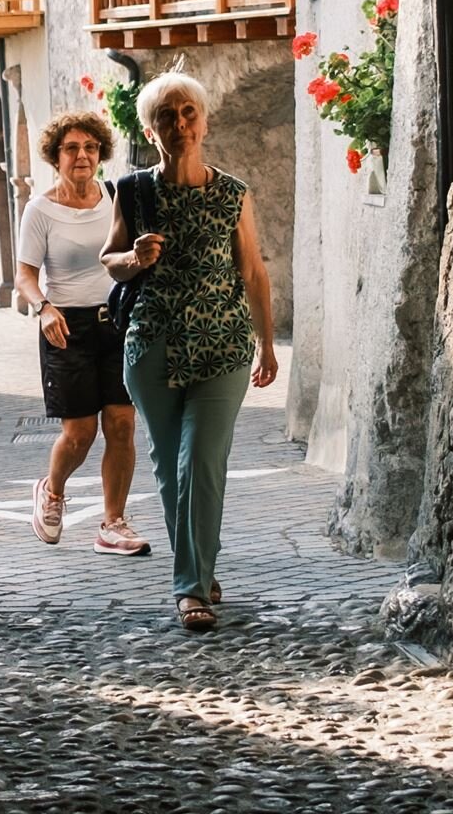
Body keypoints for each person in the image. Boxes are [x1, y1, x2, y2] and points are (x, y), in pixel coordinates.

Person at [102, 70, 279, 631]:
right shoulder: (133, 191)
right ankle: (198, 566)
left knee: (202, 458)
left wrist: (268, 345)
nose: (179, 124)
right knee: (169, 464)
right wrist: (135, 258)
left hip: (223, 345)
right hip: (152, 345)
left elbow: (253, 270)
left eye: (187, 114)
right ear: (151, 131)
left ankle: (190, 589)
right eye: (166, 118)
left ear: (203, 121)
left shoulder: (232, 194)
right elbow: (109, 260)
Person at [15, 110, 150, 556]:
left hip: (115, 322)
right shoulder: (40, 209)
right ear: (56, 156)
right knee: (79, 432)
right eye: (72, 148)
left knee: (122, 422)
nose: (82, 156)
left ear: (101, 154)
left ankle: (113, 523)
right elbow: (25, 276)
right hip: (65, 328)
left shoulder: (115, 197)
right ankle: (52, 490)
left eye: (90, 148)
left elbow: (127, 258)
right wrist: (43, 307)